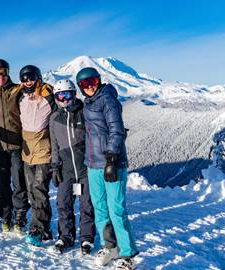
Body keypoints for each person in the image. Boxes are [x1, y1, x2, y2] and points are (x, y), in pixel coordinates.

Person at [76, 67, 138, 270]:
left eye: (92, 81)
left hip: (112, 164)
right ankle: (110, 246)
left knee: (117, 210)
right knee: (100, 209)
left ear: (99, 80)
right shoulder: (88, 102)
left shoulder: (108, 100)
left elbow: (117, 130)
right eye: (84, 84)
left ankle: (128, 254)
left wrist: (111, 159)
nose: (89, 86)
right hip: (93, 164)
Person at [49, 79, 95, 254]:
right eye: (61, 95)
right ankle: (66, 237)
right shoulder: (55, 118)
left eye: (68, 94)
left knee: (86, 204)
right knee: (63, 203)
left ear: (74, 94)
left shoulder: (84, 112)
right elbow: (54, 145)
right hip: (66, 170)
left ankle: (86, 239)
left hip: (85, 168)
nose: (64, 99)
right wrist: (55, 167)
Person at [0, 59, 29, 233]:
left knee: (19, 183)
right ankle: (5, 215)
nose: (0, 76)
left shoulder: (17, 90)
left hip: (17, 145)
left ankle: (19, 216)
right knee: (1, 184)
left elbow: (35, 88)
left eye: (3, 72)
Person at [18, 65, 56, 246]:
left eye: (31, 78)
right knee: (32, 191)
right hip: (27, 153)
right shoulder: (20, 97)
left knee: (39, 190)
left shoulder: (48, 97)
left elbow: (59, 113)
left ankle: (38, 229)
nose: (28, 82)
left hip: (43, 151)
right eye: (24, 79)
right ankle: (45, 227)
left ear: (38, 78)